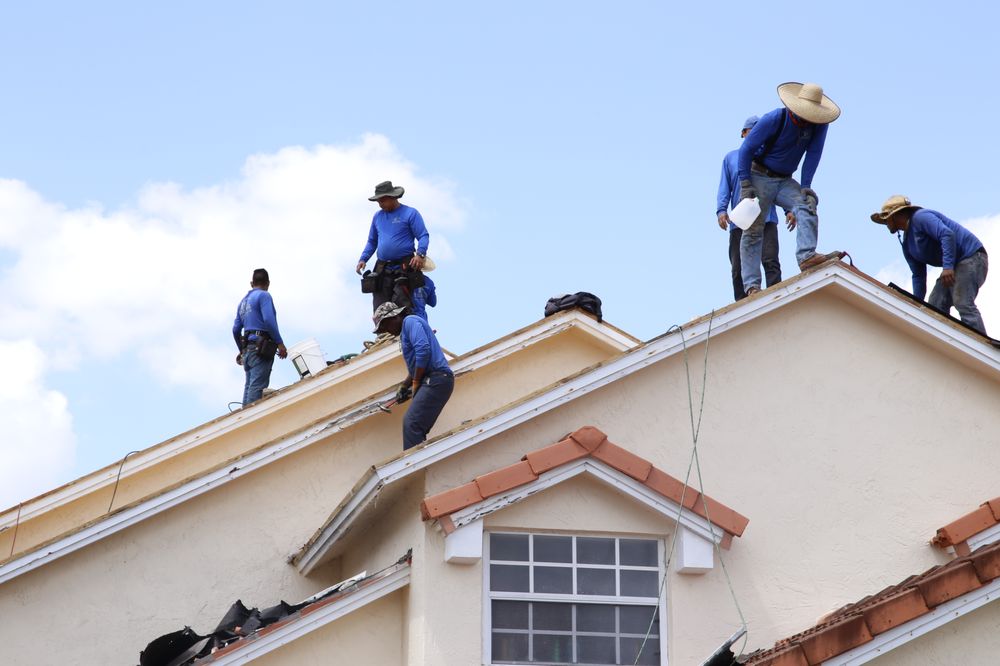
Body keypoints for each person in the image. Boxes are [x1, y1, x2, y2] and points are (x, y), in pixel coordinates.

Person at [738, 82, 843, 296]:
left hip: (785, 179)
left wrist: (806, 186)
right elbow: (746, 150)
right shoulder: (774, 119)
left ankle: (806, 257)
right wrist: (745, 184)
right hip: (759, 175)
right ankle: (752, 286)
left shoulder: (819, 124)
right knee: (753, 229)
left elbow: (813, 154)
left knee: (806, 204)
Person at [871, 195, 989, 335]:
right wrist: (916, 303)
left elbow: (947, 234)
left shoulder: (921, 217)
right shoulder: (907, 244)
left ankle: (981, 343)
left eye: (886, 219)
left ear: (895, 215)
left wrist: (947, 267)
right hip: (954, 265)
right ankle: (946, 342)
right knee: (935, 305)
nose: (885, 223)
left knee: (962, 301)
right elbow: (918, 275)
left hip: (972, 257)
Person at [718, 115, 790, 300]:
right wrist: (721, 210)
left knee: (770, 260)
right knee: (738, 267)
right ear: (743, 133)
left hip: (766, 219)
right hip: (741, 221)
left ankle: (776, 299)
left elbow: (780, 185)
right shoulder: (731, 158)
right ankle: (742, 305)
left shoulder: (769, 159)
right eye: (753, 130)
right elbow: (725, 186)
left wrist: (789, 209)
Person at [373, 301, 454, 450]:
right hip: (433, 379)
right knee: (416, 426)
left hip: (437, 378)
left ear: (395, 316)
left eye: (386, 325)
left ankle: (413, 465)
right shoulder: (405, 331)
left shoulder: (410, 321)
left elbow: (423, 350)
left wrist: (416, 380)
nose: (387, 331)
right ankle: (419, 457)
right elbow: (417, 363)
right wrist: (406, 385)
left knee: (412, 423)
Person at [356, 180, 430, 311]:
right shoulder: (377, 217)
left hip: (404, 267)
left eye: (382, 201)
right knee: (380, 307)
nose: (380, 204)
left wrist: (420, 254)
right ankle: (384, 331)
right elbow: (372, 241)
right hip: (382, 268)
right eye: (378, 201)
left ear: (392, 197)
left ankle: (405, 330)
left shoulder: (410, 213)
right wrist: (363, 259)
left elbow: (423, 235)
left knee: (403, 304)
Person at [233, 268, 288, 406]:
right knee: (256, 389)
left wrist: (241, 350)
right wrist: (280, 343)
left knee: (249, 387)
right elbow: (269, 321)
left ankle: (243, 419)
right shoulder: (264, 296)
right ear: (268, 283)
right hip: (260, 349)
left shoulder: (243, 302)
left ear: (252, 283)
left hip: (248, 350)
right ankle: (248, 421)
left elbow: (235, 329)